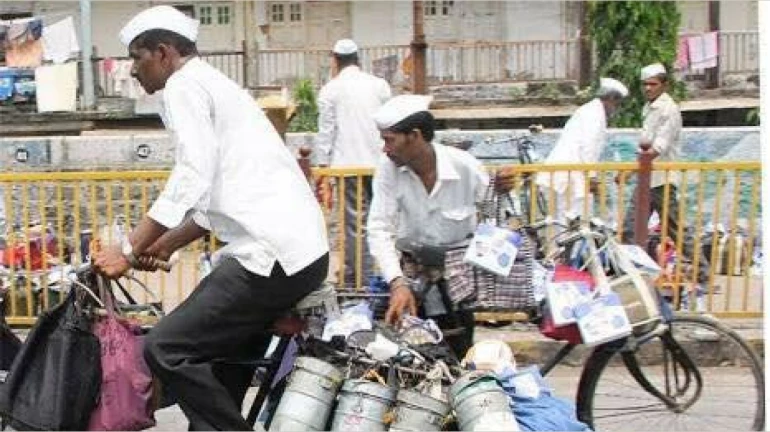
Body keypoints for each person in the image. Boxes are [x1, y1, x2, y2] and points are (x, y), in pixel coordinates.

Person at [92, 6, 329, 430]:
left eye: (137, 57)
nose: (132, 69)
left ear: (163, 53)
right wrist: (163, 243)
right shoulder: (211, 84)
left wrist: (129, 248)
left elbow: (191, 176)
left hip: (270, 256)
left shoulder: (185, 85)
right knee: (219, 363)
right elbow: (217, 193)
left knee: (164, 348)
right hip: (292, 253)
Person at [366, 95, 514, 358]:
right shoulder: (387, 170)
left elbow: (495, 216)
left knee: (459, 354)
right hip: (412, 277)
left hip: (457, 280)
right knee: (404, 356)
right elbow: (379, 229)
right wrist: (397, 283)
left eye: (389, 140)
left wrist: (502, 189)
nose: (385, 149)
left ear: (414, 136)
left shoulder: (465, 166)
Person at [621, 63, 709, 303]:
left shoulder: (669, 110)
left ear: (664, 84)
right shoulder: (648, 108)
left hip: (661, 179)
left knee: (676, 229)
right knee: (630, 228)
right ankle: (631, 276)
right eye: (645, 84)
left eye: (653, 84)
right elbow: (645, 146)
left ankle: (703, 274)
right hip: (647, 178)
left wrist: (629, 172)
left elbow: (658, 148)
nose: (648, 88)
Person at [315, 39, 392, 287]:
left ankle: (358, 278)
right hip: (380, 164)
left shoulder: (331, 90)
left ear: (335, 60)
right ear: (358, 59)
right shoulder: (379, 85)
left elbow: (326, 133)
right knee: (378, 220)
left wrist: (322, 169)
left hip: (348, 166)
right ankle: (375, 274)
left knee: (354, 225)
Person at [535, 77, 628, 219]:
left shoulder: (589, 110)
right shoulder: (595, 115)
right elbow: (588, 147)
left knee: (564, 221)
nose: (616, 109)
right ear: (610, 99)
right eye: (617, 104)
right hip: (570, 175)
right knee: (576, 221)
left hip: (565, 173)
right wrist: (591, 177)